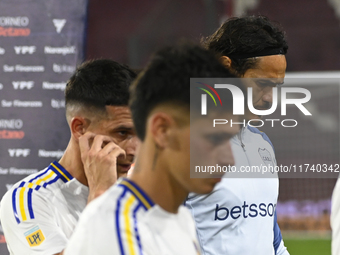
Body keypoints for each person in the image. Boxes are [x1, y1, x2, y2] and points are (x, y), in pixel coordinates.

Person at [63, 43, 244, 255]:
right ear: (162, 130)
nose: (229, 160)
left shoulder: (179, 219)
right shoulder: (115, 230)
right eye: (214, 139)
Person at [0, 59, 138, 255]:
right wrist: (100, 195)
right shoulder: (28, 200)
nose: (134, 149)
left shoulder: (142, 190)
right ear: (80, 129)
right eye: (122, 133)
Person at [185, 16, 290, 255]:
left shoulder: (262, 144)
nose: (270, 99)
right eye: (262, 83)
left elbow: (272, 242)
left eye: (276, 86)